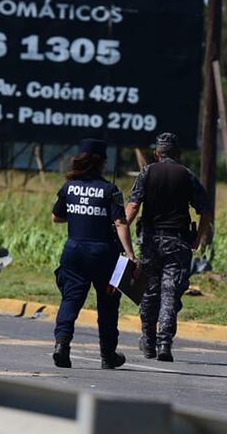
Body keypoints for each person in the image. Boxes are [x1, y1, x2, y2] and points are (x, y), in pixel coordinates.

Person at [120, 132, 213, 361]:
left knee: (149, 291)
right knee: (171, 292)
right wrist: (198, 238)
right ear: (178, 154)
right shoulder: (187, 175)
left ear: (157, 153)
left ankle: (148, 341)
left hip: (150, 241)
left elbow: (132, 207)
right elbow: (206, 212)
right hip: (178, 242)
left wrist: (119, 231)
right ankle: (164, 343)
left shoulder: (147, 172)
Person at [50, 138, 128, 370]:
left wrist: (79, 215)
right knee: (108, 304)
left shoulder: (68, 187)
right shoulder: (110, 190)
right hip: (104, 254)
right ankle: (107, 355)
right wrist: (130, 255)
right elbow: (121, 223)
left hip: (73, 252)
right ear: (102, 162)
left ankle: (61, 345)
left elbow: (56, 217)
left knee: (70, 300)